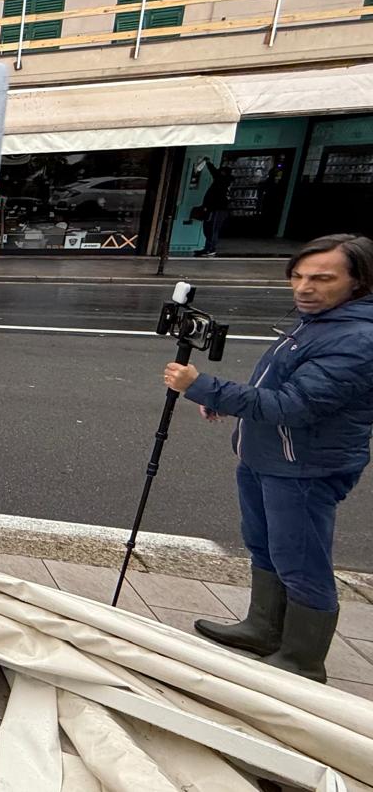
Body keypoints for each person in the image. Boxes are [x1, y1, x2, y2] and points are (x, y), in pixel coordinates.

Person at [163, 234, 373, 681]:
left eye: (322, 278)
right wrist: (227, 402)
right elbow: (278, 389)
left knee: (300, 560)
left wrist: (205, 387)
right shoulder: (319, 321)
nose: (304, 288)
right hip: (269, 457)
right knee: (265, 546)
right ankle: (262, 628)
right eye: (297, 276)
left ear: (358, 282)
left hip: (304, 467)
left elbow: (295, 407)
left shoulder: (357, 340)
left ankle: (301, 661)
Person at [196, 161, 233, 257]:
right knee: (210, 228)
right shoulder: (224, 182)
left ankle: (210, 249)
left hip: (217, 209)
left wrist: (208, 163)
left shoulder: (222, 181)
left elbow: (214, 172)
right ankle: (209, 248)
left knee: (211, 229)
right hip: (217, 209)